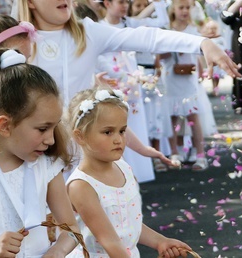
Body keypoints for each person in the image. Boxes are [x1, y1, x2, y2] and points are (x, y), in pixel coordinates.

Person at [12, 0, 240, 177]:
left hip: (82, 158)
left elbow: (145, 37)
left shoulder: (88, 32)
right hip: (33, 157)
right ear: (30, 2)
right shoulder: (15, 42)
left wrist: (201, 43)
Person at [0, 48, 80, 257]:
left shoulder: (46, 164)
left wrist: (56, 252)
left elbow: (72, 230)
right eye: (42, 129)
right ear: (4, 125)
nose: (50, 139)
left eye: (54, 127)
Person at [66, 88, 192, 257]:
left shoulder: (123, 167)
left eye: (122, 130)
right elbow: (109, 240)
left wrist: (160, 241)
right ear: (80, 136)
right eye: (107, 132)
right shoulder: (81, 186)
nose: (118, 139)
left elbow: (129, 226)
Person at [96, 0, 169, 175]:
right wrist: (117, 75)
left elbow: (161, 22)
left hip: (132, 87)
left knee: (134, 126)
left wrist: (158, 4)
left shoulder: (131, 23)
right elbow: (97, 56)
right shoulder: (98, 27)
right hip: (111, 83)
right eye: (120, 2)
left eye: (127, 2)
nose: (125, 6)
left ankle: (136, 173)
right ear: (107, 3)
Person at [159, 0, 211, 171]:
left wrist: (203, 70)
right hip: (171, 76)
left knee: (192, 116)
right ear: (173, 9)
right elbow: (158, 55)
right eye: (181, 7)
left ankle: (200, 155)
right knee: (173, 115)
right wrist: (174, 48)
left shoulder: (193, 30)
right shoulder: (166, 30)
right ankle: (175, 152)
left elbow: (198, 54)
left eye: (187, 8)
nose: (184, 11)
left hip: (189, 77)